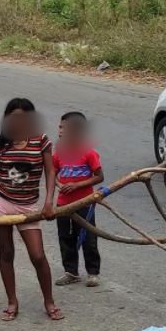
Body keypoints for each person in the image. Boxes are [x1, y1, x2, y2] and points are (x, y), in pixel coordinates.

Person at [0, 98, 62, 321]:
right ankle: (12, 301)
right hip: (1, 201)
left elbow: (50, 172)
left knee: (38, 255)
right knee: (6, 252)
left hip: (28, 205)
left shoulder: (41, 141)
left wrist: (49, 202)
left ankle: (49, 301)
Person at [53, 112, 104, 287]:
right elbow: (52, 173)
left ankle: (93, 272)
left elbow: (99, 177)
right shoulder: (59, 151)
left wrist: (77, 185)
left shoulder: (89, 152)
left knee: (88, 237)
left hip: (84, 203)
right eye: (60, 127)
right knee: (66, 237)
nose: (60, 130)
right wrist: (59, 184)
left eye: (64, 127)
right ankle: (71, 272)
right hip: (63, 204)